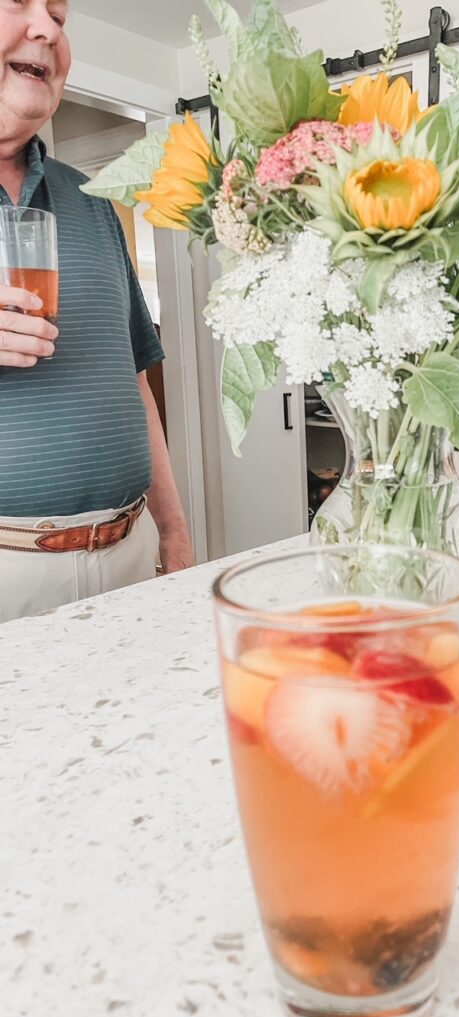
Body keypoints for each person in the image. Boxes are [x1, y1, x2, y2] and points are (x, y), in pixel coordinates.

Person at [0, 0, 193, 622]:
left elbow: (134, 384)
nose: (48, 29)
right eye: (22, 5)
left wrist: (175, 533)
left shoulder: (93, 203)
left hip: (132, 557)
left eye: (59, 15)